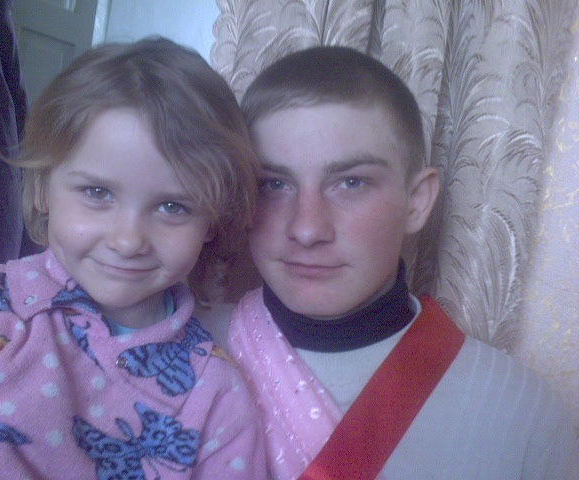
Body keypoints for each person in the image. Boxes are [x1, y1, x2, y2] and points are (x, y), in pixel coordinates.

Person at [225, 46, 579, 479]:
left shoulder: (522, 416)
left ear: (417, 201)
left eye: (351, 182)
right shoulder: (181, 362)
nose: (307, 229)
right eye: (273, 184)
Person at [0, 37, 267, 479]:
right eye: (97, 192)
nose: (129, 240)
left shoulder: (217, 397)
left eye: (173, 206)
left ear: (212, 221)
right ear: (43, 190)